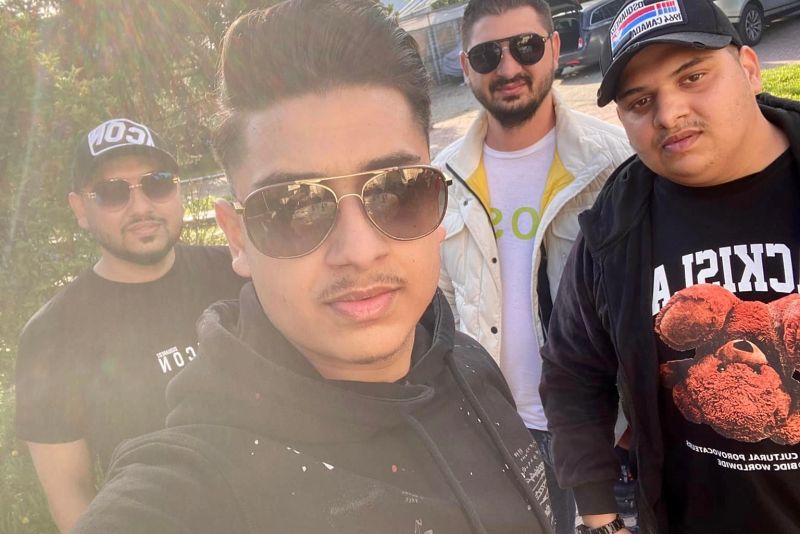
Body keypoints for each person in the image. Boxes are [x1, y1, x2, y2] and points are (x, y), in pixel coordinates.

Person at [70, 1, 555, 533]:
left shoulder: (470, 363)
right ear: (237, 238)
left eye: (397, 192)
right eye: (292, 208)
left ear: (439, 202)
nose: (359, 250)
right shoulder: (193, 490)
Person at [540, 0, 800, 532]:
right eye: (640, 101)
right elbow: (572, 374)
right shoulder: (613, 230)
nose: (668, 113)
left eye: (692, 76)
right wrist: (600, 517)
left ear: (750, 68)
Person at [434, 1, 631, 532]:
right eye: (486, 55)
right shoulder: (442, 179)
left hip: (605, 435)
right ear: (465, 66)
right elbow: (441, 308)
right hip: (492, 431)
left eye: (525, 46)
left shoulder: (615, 163)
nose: (508, 68)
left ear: (555, 46)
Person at [14, 118, 246, 533]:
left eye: (158, 183)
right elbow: (71, 495)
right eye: (112, 192)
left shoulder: (239, 276)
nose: (141, 207)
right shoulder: (50, 337)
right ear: (80, 210)